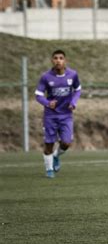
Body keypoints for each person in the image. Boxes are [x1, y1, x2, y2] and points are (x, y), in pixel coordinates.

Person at [35, 50, 81, 178]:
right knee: (49, 143)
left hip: (66, 115)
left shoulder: (72, 75)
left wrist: (73, 102)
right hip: (50, 116)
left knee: (66, 142)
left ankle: (56, 156)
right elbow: (38, 95)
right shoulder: (46, 77)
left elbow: (77, 90)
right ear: (52, 60)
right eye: (55, 58)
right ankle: (49, 170)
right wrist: (47, 103)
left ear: (65, 60)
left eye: (61, 58)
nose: (58, 60)